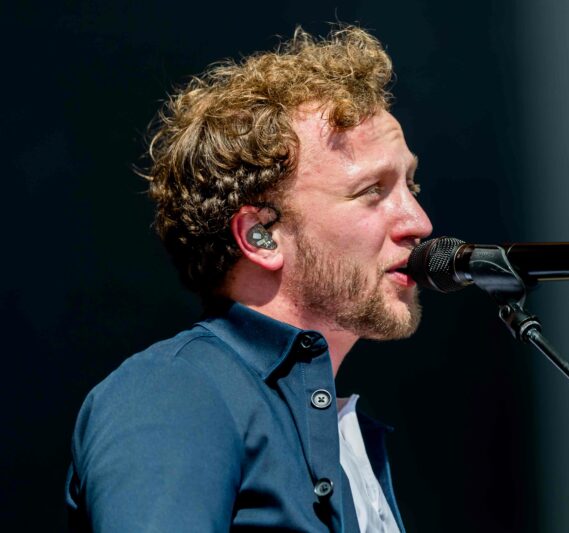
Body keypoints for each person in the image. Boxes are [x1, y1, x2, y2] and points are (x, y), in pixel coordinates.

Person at [65, 25, 432, 532]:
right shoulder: (174, 393)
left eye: (411, 185)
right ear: (261, 237)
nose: (419, 223)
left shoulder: (336, 431)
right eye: (372, 191)